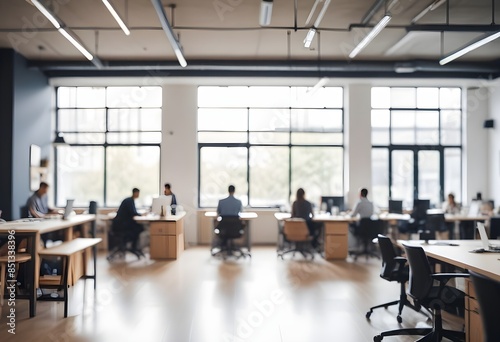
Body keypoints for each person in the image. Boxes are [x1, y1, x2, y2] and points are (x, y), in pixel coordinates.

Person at [113, 188, 144, 255]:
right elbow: (133, 212)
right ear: (135, 193)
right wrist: (141, 215)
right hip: (122, 225)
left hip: (120, 224)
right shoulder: (129, 201)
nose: (138, 195)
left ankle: (130, 245)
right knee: (139, 228)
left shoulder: (129, 200)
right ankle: (133, 247)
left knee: (138, 227)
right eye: (138, 193)